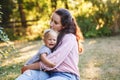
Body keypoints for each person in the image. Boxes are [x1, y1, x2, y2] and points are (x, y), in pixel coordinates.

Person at [15, 8, 84, 80]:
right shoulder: (53, 36)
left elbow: (52, 61)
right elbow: (42, 54)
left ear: (64, 26)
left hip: (66, 75)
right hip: (49, 73)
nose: (51, 24)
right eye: (51, 20)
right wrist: (28, 67)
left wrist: (28, 67)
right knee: (29, 75)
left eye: (55, 23)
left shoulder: (69, 38)